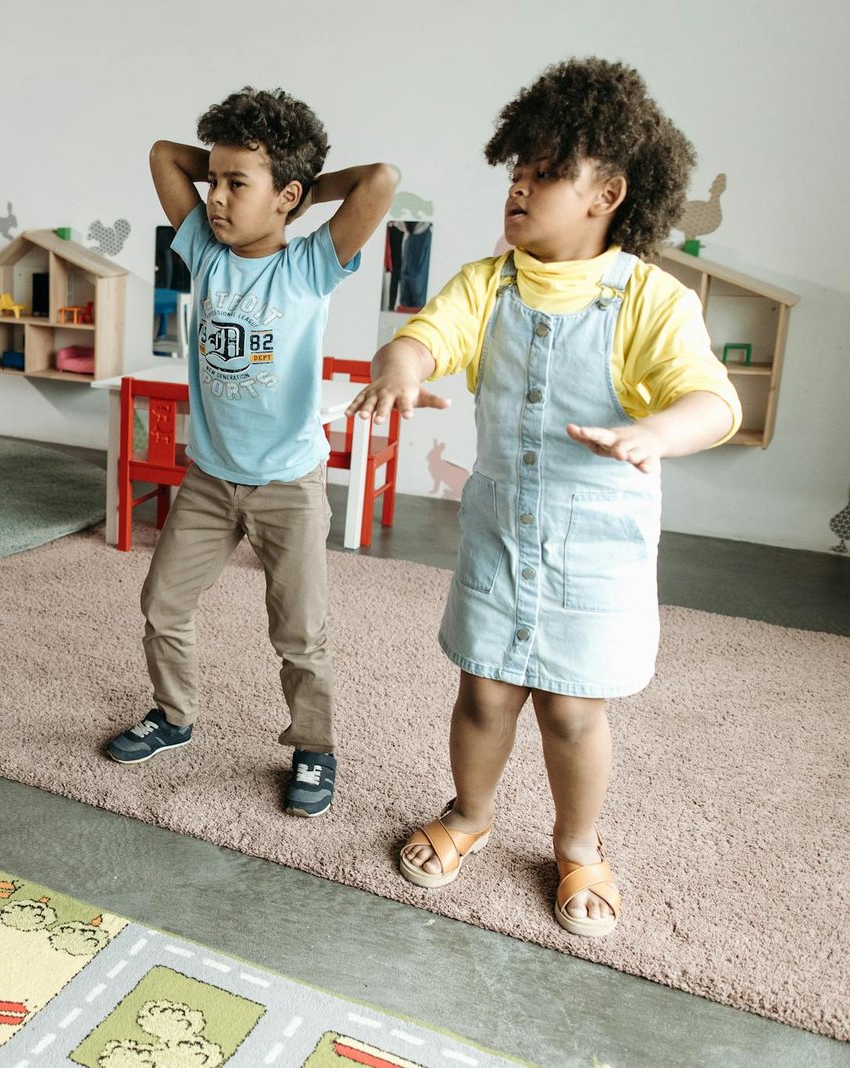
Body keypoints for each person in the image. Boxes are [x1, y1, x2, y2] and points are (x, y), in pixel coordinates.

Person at [350, 58, 741, 937]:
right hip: (498, 535)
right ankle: (469, 816)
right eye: (515, 171)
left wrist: (655, 433)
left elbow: (715, 401)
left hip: (598, 546)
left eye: (543, 173)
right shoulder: (486, 287)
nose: (518, 187)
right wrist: (400, 371)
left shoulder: (651, 301)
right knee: (484, 691)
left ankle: (578, 845)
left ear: (607, 192)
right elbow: (423, 338)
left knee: (571, 707)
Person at [105, 86, 396, 821]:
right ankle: (172, 717)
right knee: (161, 602)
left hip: (288, 485)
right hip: (209, 479)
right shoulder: (204, 248)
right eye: (215, 182)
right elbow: (163, 155)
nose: (217, 198)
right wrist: (241, 172)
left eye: (239, 185)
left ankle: (314, 748)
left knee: (299, 633)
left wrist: (297, 189)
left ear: (287, 197)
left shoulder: (309, 266)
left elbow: (380, 181)